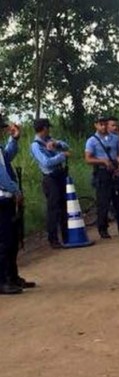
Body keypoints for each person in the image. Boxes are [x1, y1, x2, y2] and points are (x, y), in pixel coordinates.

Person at [0, 115, 35, 294]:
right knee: (4, 242)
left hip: (6, 200)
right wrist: (16, 191)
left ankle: (12, 277)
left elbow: (7, 157)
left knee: (12, 240)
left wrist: (13, 139)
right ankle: (3, 280)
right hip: (3, 200)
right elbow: (2, 176)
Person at [85, 116, 119, 239]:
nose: (103, 126)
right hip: (102, 172)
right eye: (100, 124)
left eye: (105, 124)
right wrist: (102, 161)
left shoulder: (115, 138)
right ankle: (103, 229)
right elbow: (88, 158)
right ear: (96, 125)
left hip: (115, 171)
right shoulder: (92, 141)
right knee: (103, 202)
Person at [30, 118, 70, 249]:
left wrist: (56, 144)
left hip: (60, 175)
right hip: (50, 177)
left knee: (64, 205)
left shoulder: (50, 140)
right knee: (53, 208)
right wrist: (61, 156)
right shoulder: (36, 145)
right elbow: (45, 162)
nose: (49, 130)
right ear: (44, 128)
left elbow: (66, 146)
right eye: (48, 128)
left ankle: (66, 235)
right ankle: (53, 239)